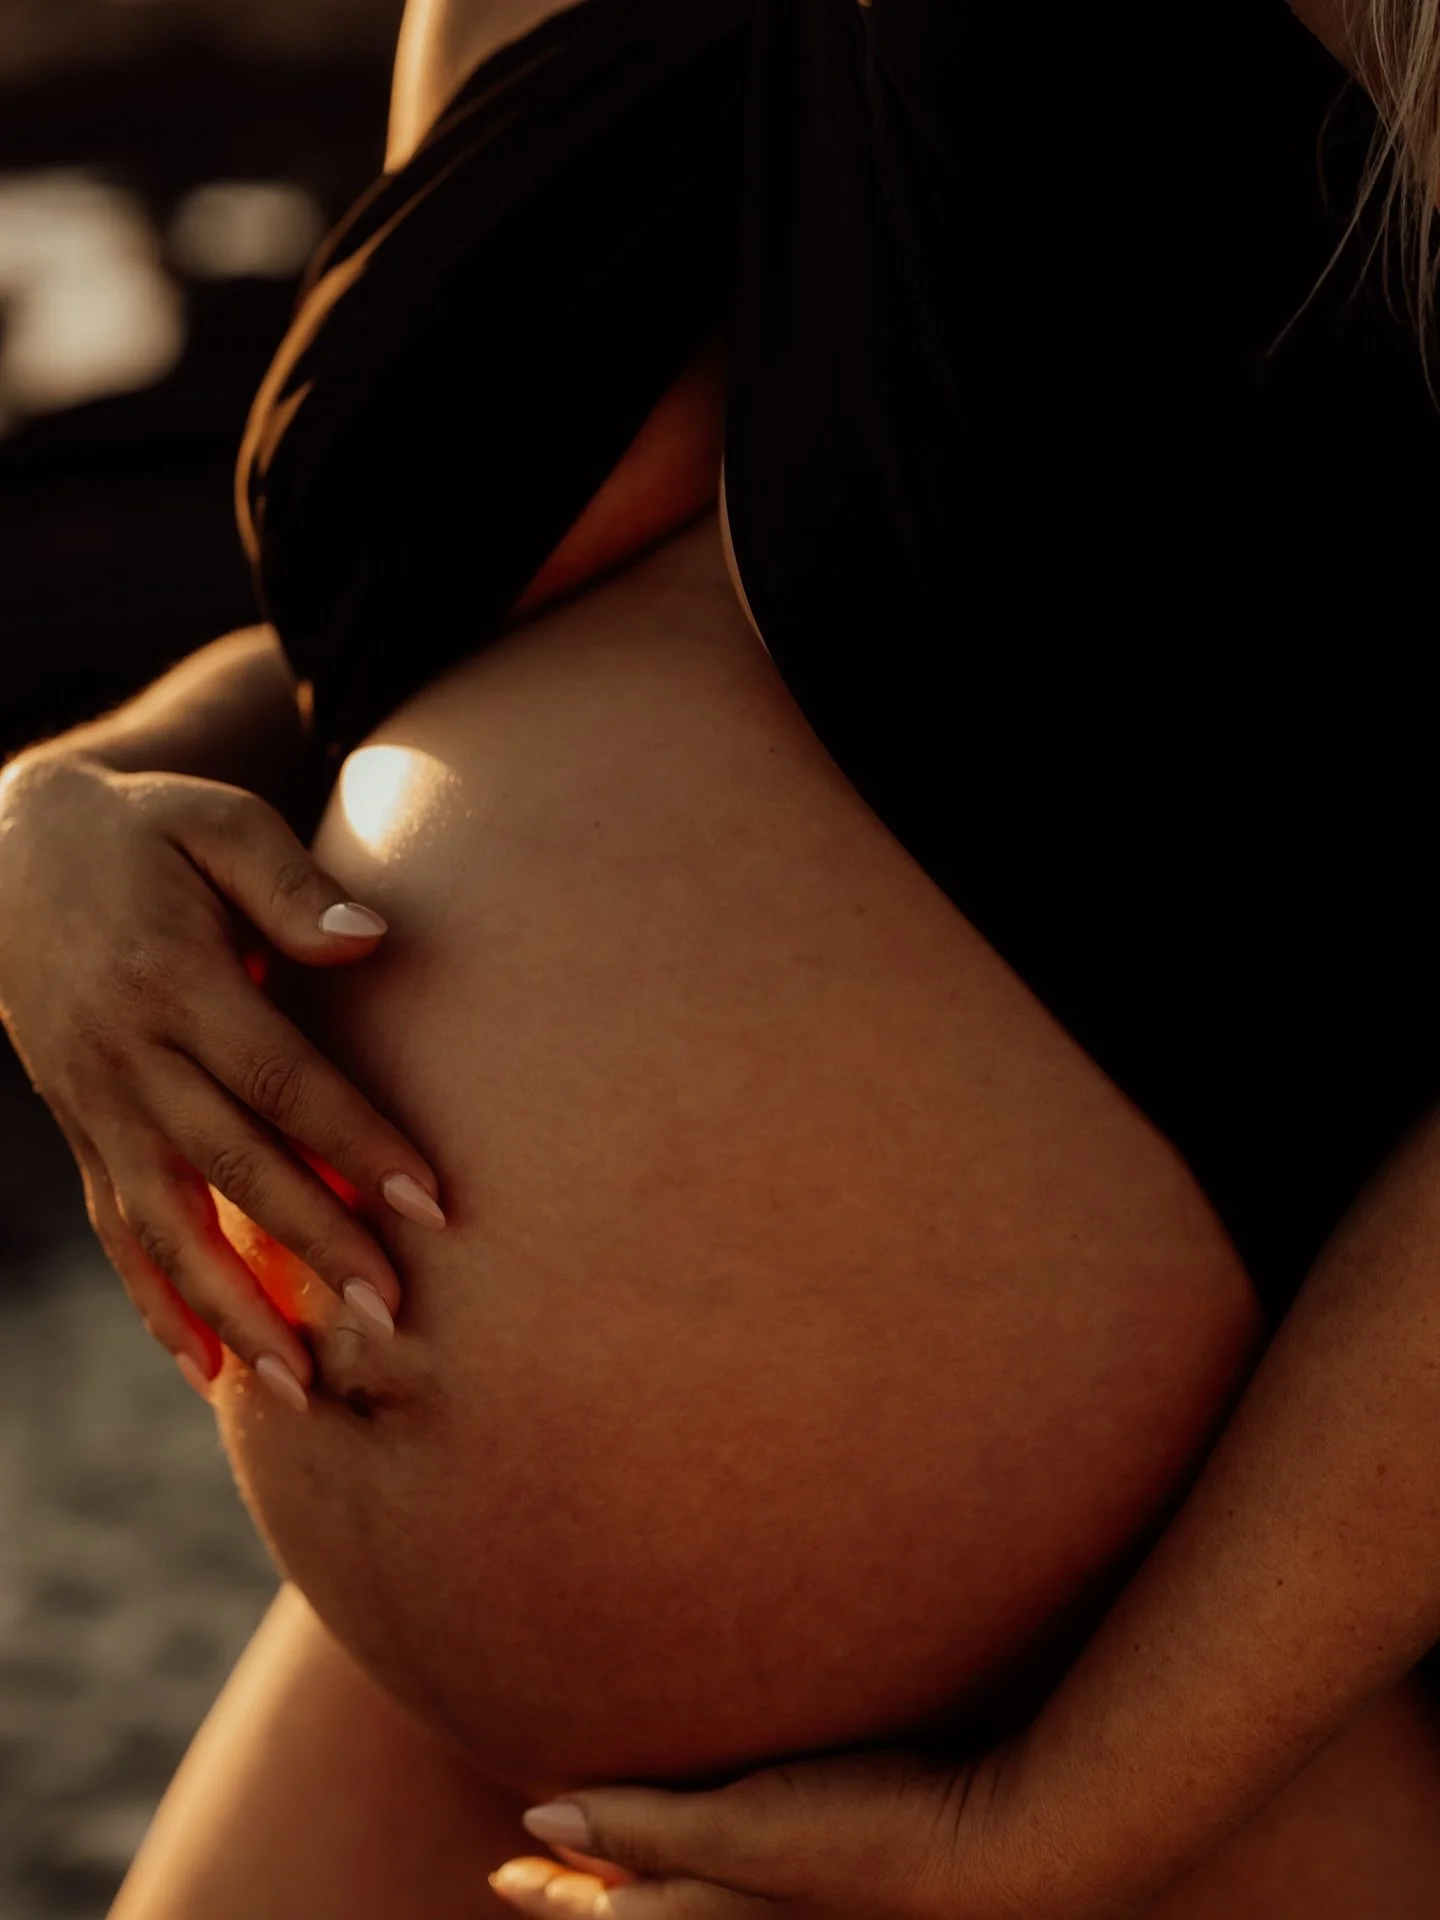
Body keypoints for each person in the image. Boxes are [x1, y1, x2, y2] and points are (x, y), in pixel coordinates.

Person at [2, 0, 1440, 1914]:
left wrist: (1056, 1821)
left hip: (1174, 1721)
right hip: (445, 1723)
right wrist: (61, 810)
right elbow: (437, 660)